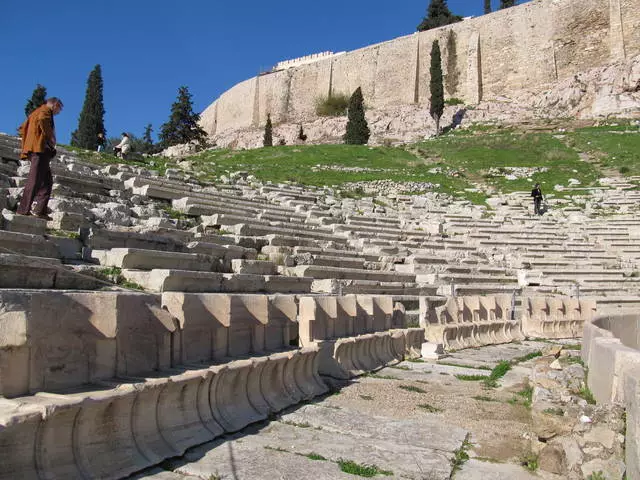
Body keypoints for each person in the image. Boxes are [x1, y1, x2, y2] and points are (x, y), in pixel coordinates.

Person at [16, 97, 63, 220]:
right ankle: (23, 210)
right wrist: (51, 137)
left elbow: (22, 128)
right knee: (34, 181)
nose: (58, 112)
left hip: (39, 150)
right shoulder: (45, 111)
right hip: (39, 150)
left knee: (47, 182)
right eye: (59, 109)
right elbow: (42, 120)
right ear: (55, 105)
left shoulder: (36, 112)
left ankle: (40, 211)